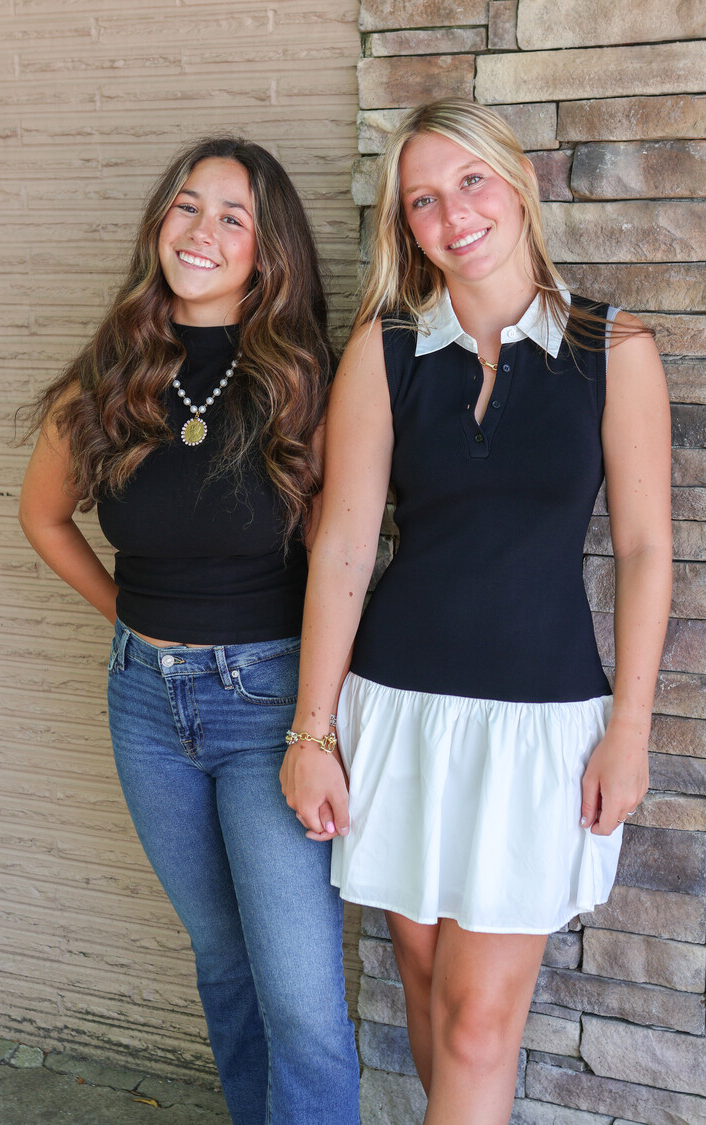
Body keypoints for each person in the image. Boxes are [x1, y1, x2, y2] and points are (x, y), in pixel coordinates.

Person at [281, 98, 671, 1125]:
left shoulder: (613, 348)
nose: (452, 215)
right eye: (423, 200)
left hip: (543, 729)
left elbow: (643, 551)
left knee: (475, 1029)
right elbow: (344, 549)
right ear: (405, 226)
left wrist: (631, 728)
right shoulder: (386, 351)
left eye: (470, 182)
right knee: (427, 997)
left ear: (519, 182)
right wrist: (312, 734)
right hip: (398, 715)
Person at [18, 135, 359, 1125]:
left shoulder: (306, 383)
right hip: (144, 707)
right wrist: (128, 618)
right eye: (187, 205)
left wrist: (317, 726)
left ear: (268, 252)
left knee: (299, 997)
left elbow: (341, 563)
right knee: (222, 961)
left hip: (271, 706)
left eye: (233, 216)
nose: (202, 230)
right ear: (158, 224)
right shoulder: (109, 377)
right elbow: (43, 516)